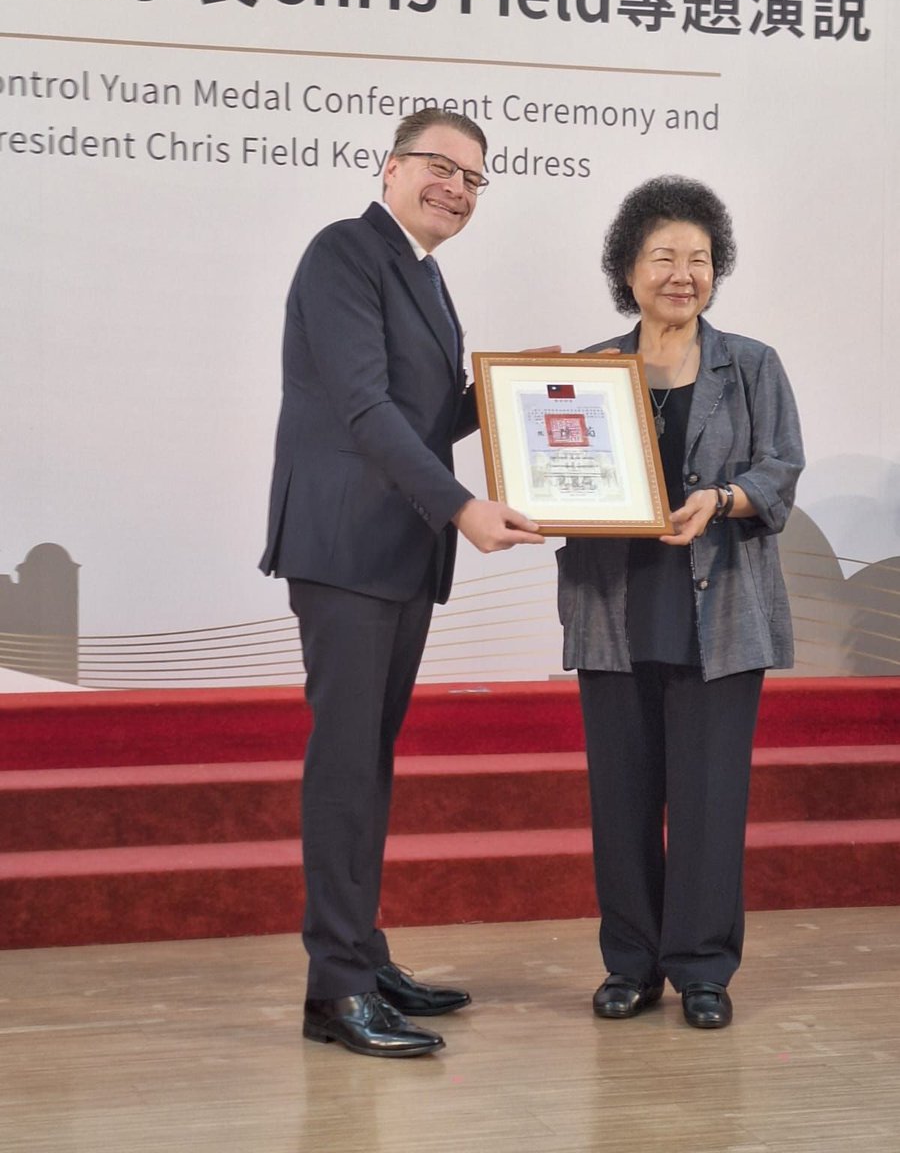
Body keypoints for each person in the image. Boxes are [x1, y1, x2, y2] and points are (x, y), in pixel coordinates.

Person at [260, 108, 544, 1058]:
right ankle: (335, 991)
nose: (455, 188)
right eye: (439, 166)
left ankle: (362, 954)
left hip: (396, 550)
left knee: (368, 761)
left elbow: (420, 415)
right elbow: (364, 407)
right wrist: (462, 506)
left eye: (473, 178)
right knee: (346, 765)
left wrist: (505, 391)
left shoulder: (424, 274)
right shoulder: (345, 252)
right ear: (389, 167)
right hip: (347, 546)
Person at [556, 175, 804, 1029]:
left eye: (699, 259)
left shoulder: (753, 364)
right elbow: (555, 473)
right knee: (621, 801)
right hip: (612, 609)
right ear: (627, 269)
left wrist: (724, 500)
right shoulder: (588, 370)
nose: (682, 274)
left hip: (721, 609)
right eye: (663, 256)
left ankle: (702, 968)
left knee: (709, 801)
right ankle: (631, 964)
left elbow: (780, 470)